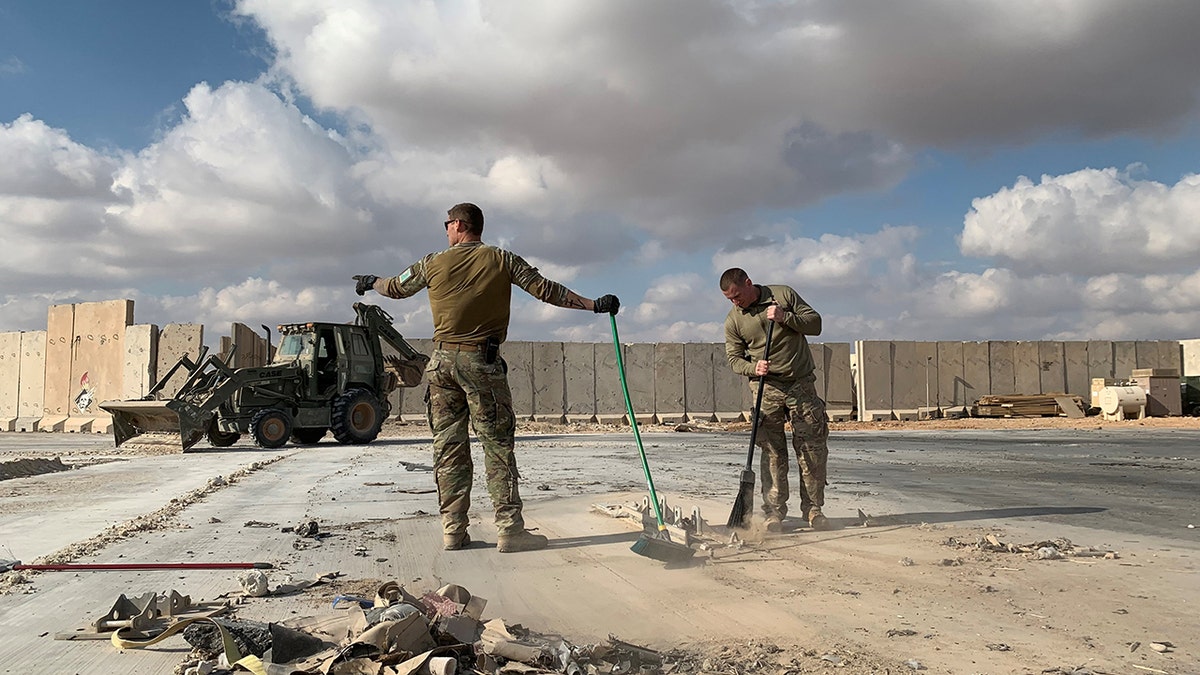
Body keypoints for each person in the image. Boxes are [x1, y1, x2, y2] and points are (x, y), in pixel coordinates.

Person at [353, 203, 620, 553]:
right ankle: (509, 530)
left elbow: (396, 287)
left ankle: (453, 530)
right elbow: (546, 290)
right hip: (482, 363)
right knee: (496, 445)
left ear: (460, 225)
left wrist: (371, 282)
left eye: (447, 224)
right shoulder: (502, 259)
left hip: (442, 365)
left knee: (449, 449)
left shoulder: (431, 263)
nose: (445, 229)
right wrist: (593, 305)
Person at [720, 267, 830, 532]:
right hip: (766, 388)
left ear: (748, 283)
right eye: (730, 300)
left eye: (738, 296)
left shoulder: (782, 295)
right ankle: (773, 513)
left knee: (811, 449)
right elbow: (734, 358)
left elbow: (815, 324)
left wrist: (785, 317)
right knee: (772, 452)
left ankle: (813, 509)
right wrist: (753, 368)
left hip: (800, 384)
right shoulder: (733, 320)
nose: (736, 303)